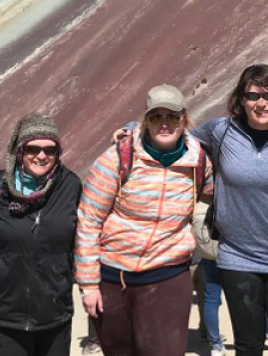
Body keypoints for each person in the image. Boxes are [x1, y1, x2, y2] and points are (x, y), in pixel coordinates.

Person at [75, 84, 212, 356]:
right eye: (156, 116)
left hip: (168, 276)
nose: (165, 124)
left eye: (173, 117)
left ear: (184, 119)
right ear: (145, 119)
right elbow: (89, 221)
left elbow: (216, 192)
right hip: (115, 279)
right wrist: (89, 286)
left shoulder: (197, 161)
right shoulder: (116, 159)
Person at [192, 64, 268, 356]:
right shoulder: (220, 131)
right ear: (241, 99)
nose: (262, 103)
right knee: (248, 348)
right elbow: (173, 137)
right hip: (238, 257)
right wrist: (133, 130)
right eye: (253, 95)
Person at [0, 113, 82, 356]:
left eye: (50, 150)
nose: (42, 156)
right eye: (33, 148)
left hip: (55, 317)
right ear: (20, 151)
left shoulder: (70, 186)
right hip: (4, 318)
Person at [192, 200, 226, 356]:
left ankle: (215, 344)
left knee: (210, 300)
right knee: (238, 301)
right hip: (229, 257)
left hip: (206, 258)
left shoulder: (196, 208)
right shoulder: (227, 201)